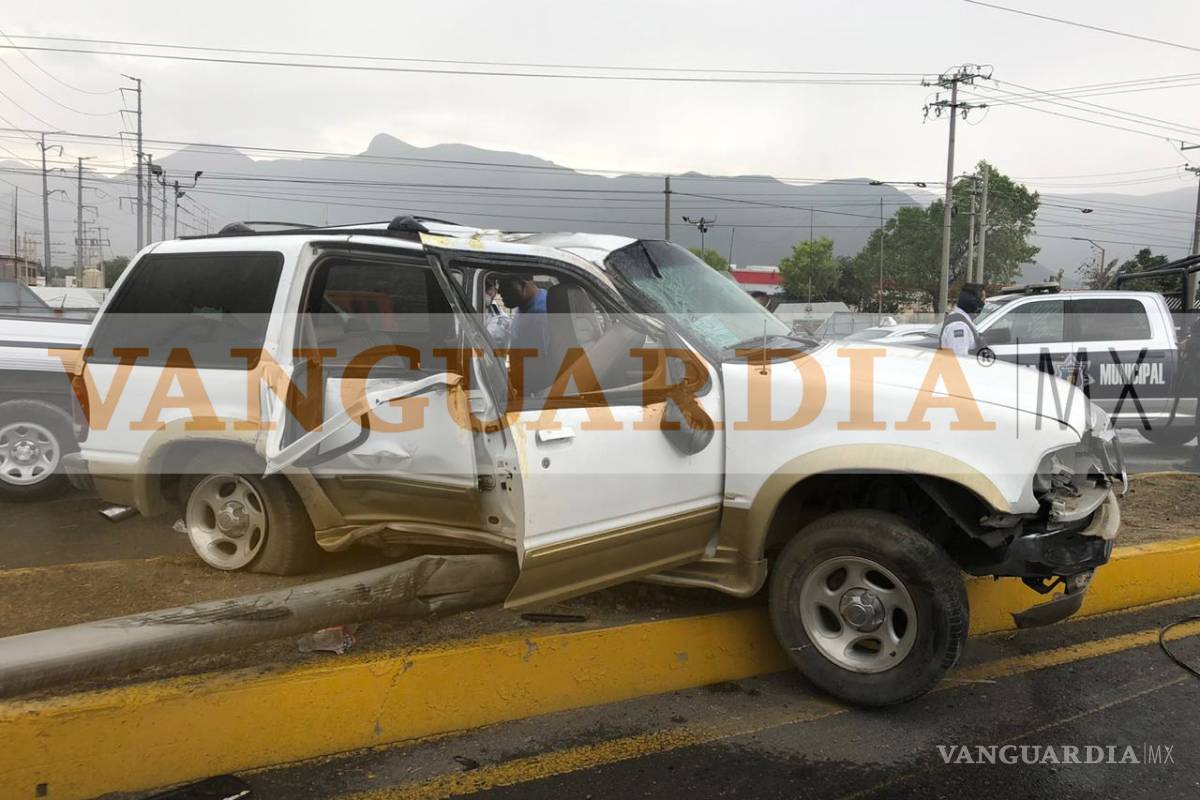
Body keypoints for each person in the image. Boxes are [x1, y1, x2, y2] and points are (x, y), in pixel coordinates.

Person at [498, 274, 553, 393]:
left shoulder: (540, 313)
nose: (499, 290)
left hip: (533, 391)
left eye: (505, 284)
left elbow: (537, 364)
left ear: (523, 283)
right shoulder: (526, 304)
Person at [940, 283, 985, 356]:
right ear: (974, 302)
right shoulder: (959, 326)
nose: (984, 303)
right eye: (983, 300)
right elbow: (960, 359)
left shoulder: (961, 320)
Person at [482, 276, 512, 347]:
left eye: (489, 289)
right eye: (484, 288)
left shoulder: (500, 317)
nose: (486, 293)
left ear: (495, 291)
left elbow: (486, 342)